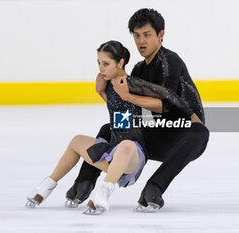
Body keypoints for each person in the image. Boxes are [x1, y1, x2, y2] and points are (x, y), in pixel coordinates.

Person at [65, 8, 210, 212]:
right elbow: (127, 111)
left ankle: (154, 188)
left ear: (161, 35)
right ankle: (84, 183)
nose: (141, 41)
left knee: (200, 132)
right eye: (136, 35)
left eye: (147, 35)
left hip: (182, 135)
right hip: (152, 133)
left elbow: (166, 104)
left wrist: (128, 96)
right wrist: (104, 95)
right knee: (109, 129)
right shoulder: (138, 70)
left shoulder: (170, 62)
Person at [26, 41, 147, 215]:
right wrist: (102, 92)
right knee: (77, 141)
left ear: (120, 63)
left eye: (106, 64)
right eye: (98, 63)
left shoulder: (134, 84)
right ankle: (46, 187)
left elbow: (144, 115)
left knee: (126, 144)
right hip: (113, 155)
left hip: (133, 158)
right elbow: (121, 115)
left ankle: (103, 194)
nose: (101, 68)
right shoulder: (110, 86)